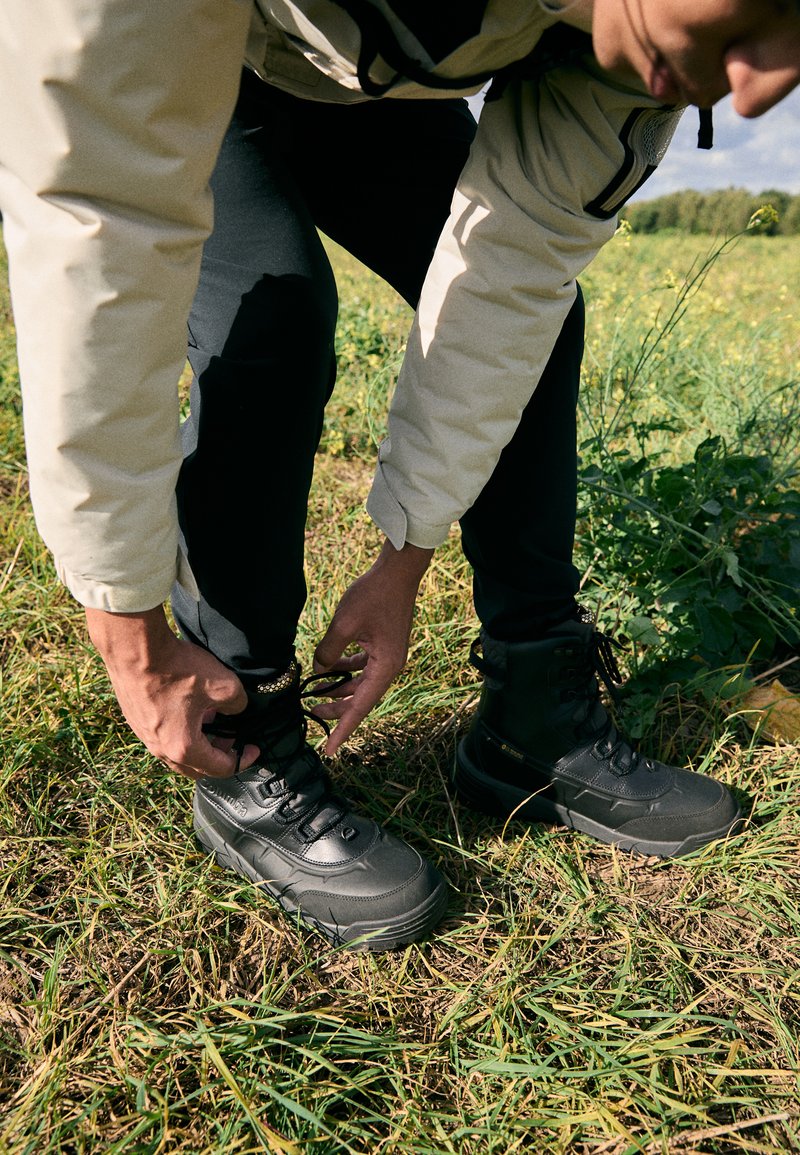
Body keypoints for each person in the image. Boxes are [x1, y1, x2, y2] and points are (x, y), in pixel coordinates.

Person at [1, 1, 798, 949]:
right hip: (180, 50)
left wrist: (405, 555)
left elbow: (509, 279)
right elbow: (99, 224)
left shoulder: (654, 30)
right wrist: (128, 635)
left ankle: (534, 711)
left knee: (542, 323)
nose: (760, 87)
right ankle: (244, 742)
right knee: (274, 316)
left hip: (356, 76)